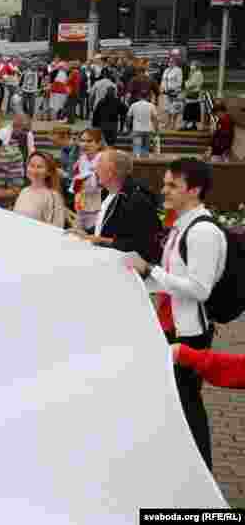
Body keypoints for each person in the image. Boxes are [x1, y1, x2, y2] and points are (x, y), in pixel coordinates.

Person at [127, 158, 228, 470]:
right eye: (165, 183)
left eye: (173, 185)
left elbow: (200, 289)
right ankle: (182, 468)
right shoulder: (181, 225)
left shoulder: (202, 233)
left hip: (191, 332)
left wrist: (151, 270)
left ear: (194, 190)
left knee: (187, 404)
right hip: (173, 325)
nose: (164, 190)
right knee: (176, 402)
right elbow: (170, 279)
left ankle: (201, 478)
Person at [79, 148, 162, 262]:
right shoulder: (109, 193)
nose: (94, 169)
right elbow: (105, 227)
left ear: (111, 171)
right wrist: (85, 233)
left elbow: (144, 244)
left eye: (99, 166)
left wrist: (102, 240)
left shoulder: (136, 200)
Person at [13, 152, 66, 227]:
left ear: (49, 172)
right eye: (32, 166)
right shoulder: (24, 191)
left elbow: (57, 227)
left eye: (40, 167)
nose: (34, 170)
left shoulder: (54, 196)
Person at [72, 129, 104, 232]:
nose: (85, 144)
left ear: (98, 144)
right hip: (82, 205)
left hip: (99, 206)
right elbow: (76, 183)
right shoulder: (80, 160)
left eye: (89, 141)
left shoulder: (103, 159)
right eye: (82, 141)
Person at [128, 92, 158, 159]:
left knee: (136, 146)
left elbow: (128, 117)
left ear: (139, 97)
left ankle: (137, 158)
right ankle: (145, 158)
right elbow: (155, 119)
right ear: (147, 97)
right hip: (148, 129)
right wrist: (156, 129)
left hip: (137, 128)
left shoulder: (134, 105)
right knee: (146, 147)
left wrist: (128, 128)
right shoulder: (151, 105)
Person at [160, 59, 184, 131]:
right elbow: (163, 80)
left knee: (174, 109)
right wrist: (162, 88)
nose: (170, 63)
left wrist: (175, 90)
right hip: (166, 92)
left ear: (175, 62)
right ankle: (168, 123)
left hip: (174, 92)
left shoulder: (178, 70)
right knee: (167, 109)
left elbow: (179, 81)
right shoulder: (166, 70)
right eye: (169, 62)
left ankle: (173, 124)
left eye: (171, 62)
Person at [182, 63, 205, 130]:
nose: (191, 66)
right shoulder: (194, 73)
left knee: (189, 109)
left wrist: (186, 84)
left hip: (193, 93)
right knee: (193, 109)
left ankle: (186, 125)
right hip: (193, 93)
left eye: (193, 65)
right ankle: (193, 125)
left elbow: (192, 84)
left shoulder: (197, 73)